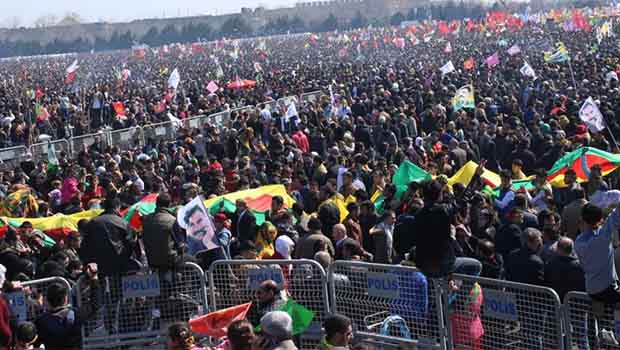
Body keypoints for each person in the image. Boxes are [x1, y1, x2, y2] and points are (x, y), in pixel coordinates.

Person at [35, 263, 99, 350]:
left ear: (47, 301)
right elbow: (94, 305)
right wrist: (94, 278)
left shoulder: (41, 321)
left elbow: (35, 342)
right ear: (65, 299)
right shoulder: (75, 315)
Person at [575, 202, 620, 303]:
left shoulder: (578, 241)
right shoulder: (603, 237)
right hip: (609, 288)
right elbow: (615, 216)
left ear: (583, 219)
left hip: (591, 289)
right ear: (599, 219)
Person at [142, 192, 185, 270]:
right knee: (192, 260)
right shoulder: (172, 220)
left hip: (151, 261)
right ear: (169, 204)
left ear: (156, 204)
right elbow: (180, 245)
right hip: (170, 261)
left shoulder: (146, 220)